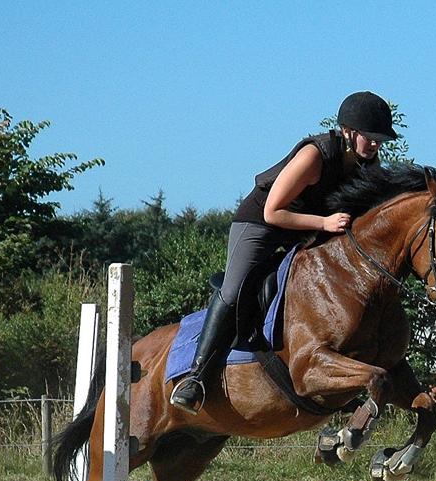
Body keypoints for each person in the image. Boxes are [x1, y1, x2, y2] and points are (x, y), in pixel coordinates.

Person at [169, 90, 398, 414]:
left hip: (306, 228)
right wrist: (324, 222)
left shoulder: (368, 165)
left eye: (380, 140)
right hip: (261, 223)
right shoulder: (314, 155)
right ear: (348, 131)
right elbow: (273, 212)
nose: (375, 145)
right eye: (370, 137)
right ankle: (196, 377)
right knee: (234, 290)